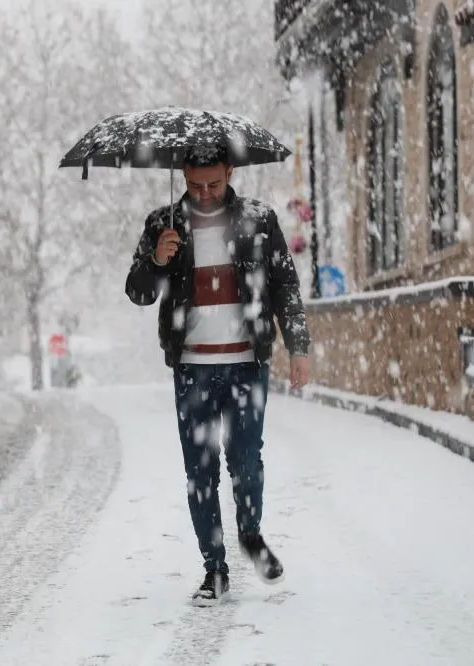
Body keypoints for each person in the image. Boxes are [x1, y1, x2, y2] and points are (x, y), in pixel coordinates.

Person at [125, 145, 311, 606]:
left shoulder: (259, 219)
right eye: (194, 185)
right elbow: (138, 292)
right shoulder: (162, 225)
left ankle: (250, 533)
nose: (205, 194)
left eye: (214, 183)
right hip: (192, 368)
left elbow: (284, 283)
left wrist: (299, 345)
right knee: (199, 471)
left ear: (230, 172)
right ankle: (215, 568)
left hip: (248, 363)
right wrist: (157, 261)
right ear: (182, 177)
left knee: (247, 461)